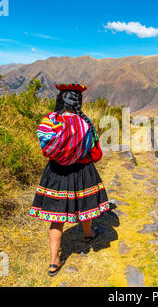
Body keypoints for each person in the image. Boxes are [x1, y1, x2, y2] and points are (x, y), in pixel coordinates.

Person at [29, 84, 109, 277]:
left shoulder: (50, 120)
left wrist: (63, 155)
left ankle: (54, 261)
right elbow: (96, 153)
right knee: (86, 205)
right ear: (78, 103)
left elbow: (45, 148)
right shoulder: (86, 124)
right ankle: (88, 233)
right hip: (83, 171)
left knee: (56, 218)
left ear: (60, 100)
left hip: (57, 173)